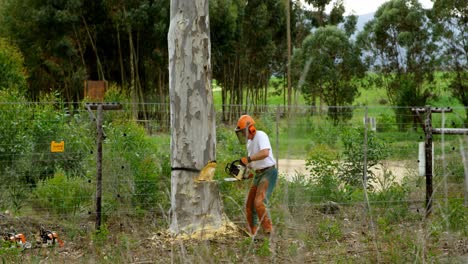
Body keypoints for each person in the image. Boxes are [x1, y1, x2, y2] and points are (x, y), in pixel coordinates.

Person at [235, 114, 278, 237]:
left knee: (259, 202)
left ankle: (269, 230)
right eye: (241, 132)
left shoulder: (261, 135)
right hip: (258, 174)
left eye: (243, 131)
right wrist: (245, 171)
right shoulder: (249, 143)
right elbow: (252, 162)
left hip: (269, 172)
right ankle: (252, 231)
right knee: (249, 205)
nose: (243, 134)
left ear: (251, 128)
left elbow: (265, 153)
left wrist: (248, 159)